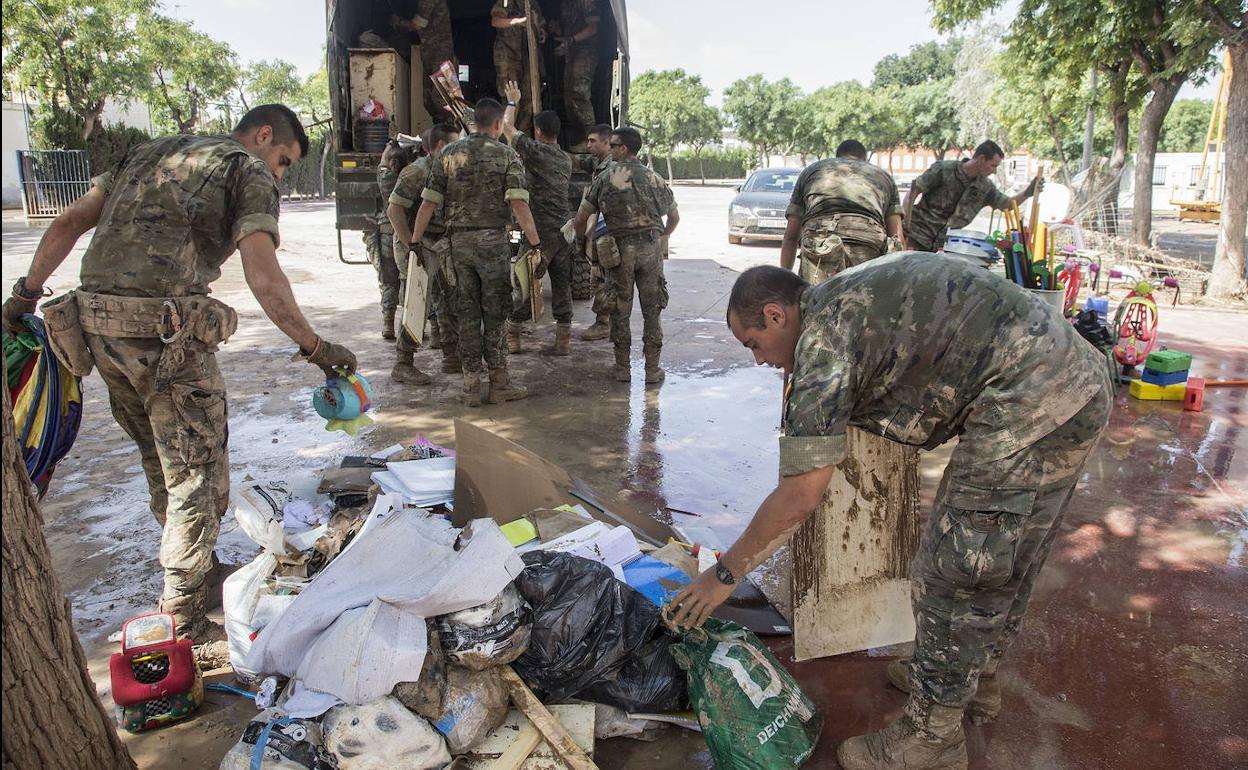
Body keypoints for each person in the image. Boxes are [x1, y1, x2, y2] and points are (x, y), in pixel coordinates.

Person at [671, 257, 1112, 770]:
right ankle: (973, 679)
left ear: (775, 315)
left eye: (753, 344)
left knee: (954, 573)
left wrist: (723, 576)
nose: (758, 360)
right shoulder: (840, 300)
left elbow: (799, 496)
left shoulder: (823, 342)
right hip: (1075, 384)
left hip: (1032, 400)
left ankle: (932, 739)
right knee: (1005, 553)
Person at [1, 105, 358, 661]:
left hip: (96, 329)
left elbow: (70, 222)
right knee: (196, 473)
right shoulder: (248, 169)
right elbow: (263, 273)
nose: (281, 172)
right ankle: (185, 614)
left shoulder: (149, 153)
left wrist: (24, 295)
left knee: (160, 459)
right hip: (164, 337)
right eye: (284, 159)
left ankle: (202, 572)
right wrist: (316, 348)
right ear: (265, 136)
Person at [410, 98, 541, 407]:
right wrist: (535, 245)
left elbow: (428, 202)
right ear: (498, 124)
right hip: (492, 244)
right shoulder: (507, 155)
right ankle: (499, 383)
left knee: (466, 313)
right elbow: (519, 205)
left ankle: (470, 386)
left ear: (473, 123)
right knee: (495, 314)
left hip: (457, 247)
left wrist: (415, 241)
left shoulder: (447, 154)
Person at [570, 126, 679, 384]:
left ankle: (622, 369)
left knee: (620, 309)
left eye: (614, 145)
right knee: (652, 310)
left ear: (625, 148)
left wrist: (581, 239)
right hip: (650, 250)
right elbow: (674, 217)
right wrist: (661, 236)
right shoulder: (655, 179)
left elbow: (581, 218)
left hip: (618, 251)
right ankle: (652, 369)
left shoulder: (606, 177)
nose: (611, 148)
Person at [501, 82, 574, 356]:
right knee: (562, 285)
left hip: (537, 233)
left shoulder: (537, 152)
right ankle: (563, 342)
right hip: (564, 231)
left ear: (539, 132)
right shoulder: (565, 159)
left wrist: (512, 102)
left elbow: (507, 129)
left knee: (525, 282)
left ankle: (513, 338)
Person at [388, 125, 462, 382]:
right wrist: (412, 246)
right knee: (417, 302)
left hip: (438, 242)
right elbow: (394, 212)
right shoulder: (416, 172)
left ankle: (452, 356)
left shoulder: (447, 170)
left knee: (449, 299)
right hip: (416, 243)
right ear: (441, 146)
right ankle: (403, 363)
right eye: (456, 144)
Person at [780, 139, 904, 284]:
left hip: (820, 241)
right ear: (863, 158)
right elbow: (897, 238)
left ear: (837, 155)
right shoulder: (884, 177)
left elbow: (791, 236)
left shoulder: (811, 171)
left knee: (816, 301)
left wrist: (785, 280)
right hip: (868, 242)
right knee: (861, 302)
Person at [903, 140, 1042, 253]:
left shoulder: (985, 187)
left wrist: (1027, 192)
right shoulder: (944, 170)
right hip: (916, 239)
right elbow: (912, 193)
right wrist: (904, 228)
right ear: (981, 159)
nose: (994, 171)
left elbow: (1007, 204)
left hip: (943, 247)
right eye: (993, 165)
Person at [366, 139, 410, 343]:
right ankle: (410, 327)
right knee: (407, 281)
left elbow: (382, 165)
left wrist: (388, 147)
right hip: (404, 235)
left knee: (388, 281)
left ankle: (387, 323)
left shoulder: (386, 180)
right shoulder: (410, 180)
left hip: (385, 232)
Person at [574, 123, 615, 341]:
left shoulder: (613, 169)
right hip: (602, 230)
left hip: (609, 233)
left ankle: (603, 323)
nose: (588, 145)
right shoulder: (600, 164)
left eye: (592, 141)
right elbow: (576, 160)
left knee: (603, 278)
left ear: (607, 143)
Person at [491, 0, 545, 133]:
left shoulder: (533, 4)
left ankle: (521, 139)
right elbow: (496, 21)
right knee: (511, 100)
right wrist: (518, 21)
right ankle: (507, 140)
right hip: (508, 58)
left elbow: (540, 24)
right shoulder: (506, 2)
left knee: (529, 101)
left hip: (528, 59)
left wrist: (542, 33)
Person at [555, 0, 599, 139]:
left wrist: (571, 40)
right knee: (569, 97)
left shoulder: (585, 2)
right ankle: (582, 137)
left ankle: (591, 138)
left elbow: (593, 28)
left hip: (586, 53)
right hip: (572, 53)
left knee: (579, 93)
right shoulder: (565, 5)